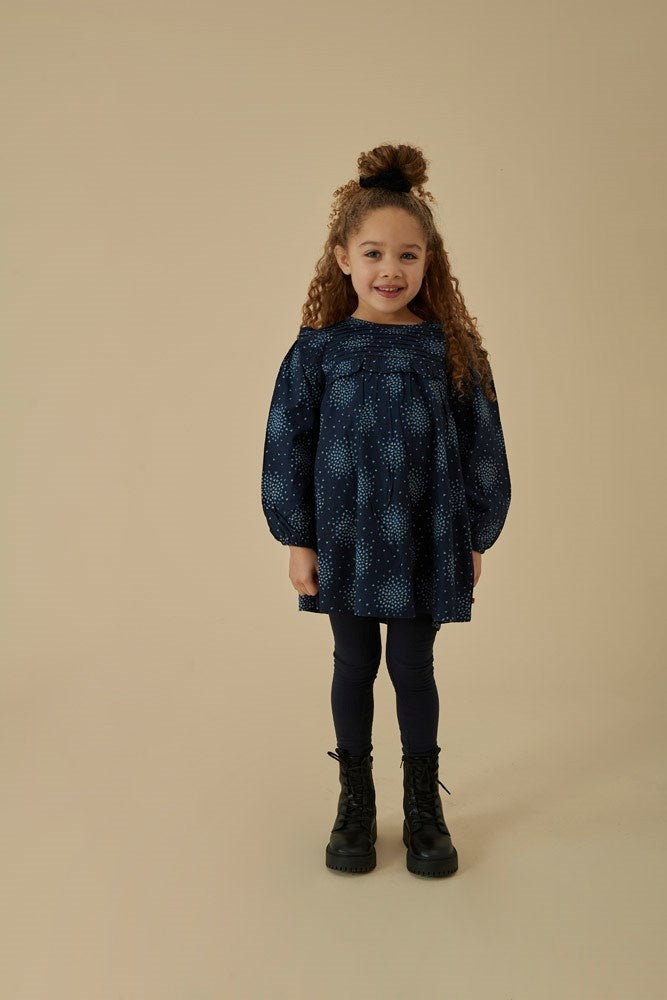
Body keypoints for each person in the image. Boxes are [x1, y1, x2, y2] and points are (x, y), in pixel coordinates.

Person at [260, 143, 511, 879]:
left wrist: (474, 534)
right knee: (353, 662)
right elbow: (287, 444)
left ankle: (423, 808)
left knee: (411, 664)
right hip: (343, 537)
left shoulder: (449, 350)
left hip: (426, 538)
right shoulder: (318, 352)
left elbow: (483, 445)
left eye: (407, 255)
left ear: (430, 261)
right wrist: (298, 538)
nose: (390, 270)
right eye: (373, 253)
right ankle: (355, 802)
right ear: (343, 258)